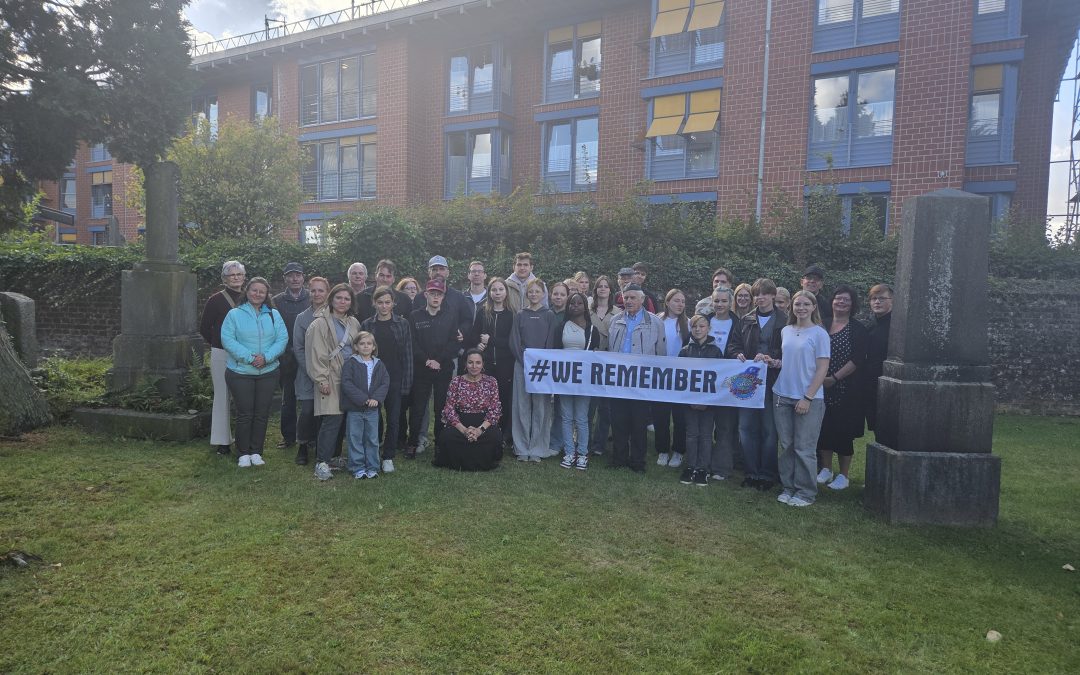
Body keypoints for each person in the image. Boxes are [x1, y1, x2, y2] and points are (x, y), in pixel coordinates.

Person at [220, 277, 289, 468]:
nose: (257, 294)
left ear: (267, 295)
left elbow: (282, 339)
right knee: (245, 413)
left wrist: (266, 357)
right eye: (254, 290)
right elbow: (228, 340)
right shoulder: (234, 314)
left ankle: (256, 451)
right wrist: (251, 358)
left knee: (261, 413)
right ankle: (243, 453)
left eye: (262, 292)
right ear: (247, 291)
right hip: (241, 372)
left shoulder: (273, 314)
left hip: (268, 371)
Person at [771, 290, 830, 507]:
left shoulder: (819, 334)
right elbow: (789, 361)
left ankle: (805, 492)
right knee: (786, 445)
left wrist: (807, 397)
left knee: (804, 447)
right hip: (782, 394)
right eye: (797, 304)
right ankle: (789, 487)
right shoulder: (786, 330)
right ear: (791, 307)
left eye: (806, 304)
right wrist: (773, 362)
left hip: (809, 398)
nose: (801, 308)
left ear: (814, 307)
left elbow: (822, 368)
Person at [730, 278, 786, 491]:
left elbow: (789, 350)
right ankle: (751, 472)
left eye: (764, 294)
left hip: (773, 382)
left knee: (769, 430)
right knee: (746, 428)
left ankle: (768, 474)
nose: (760, 298)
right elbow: (733, 345)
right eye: (757, 294)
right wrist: (738, 354)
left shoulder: (785, 321)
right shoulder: (745, 320)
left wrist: (773, 358)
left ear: (773, 295)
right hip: (748, 384)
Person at [606, 284, 665, 473]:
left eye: (633, 297)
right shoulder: (615, 320)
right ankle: (619, 459)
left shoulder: (655, 323)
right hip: (618, 378)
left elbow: (660, 353)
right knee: (618, 420)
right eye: (626, 297)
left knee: (638, 422)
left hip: (642, 380)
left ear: (642, 300)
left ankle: (638, 462)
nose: (629, 301)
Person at [306, 283, 362, 481]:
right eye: (339, 298)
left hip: (350, 376)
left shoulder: (353, 323)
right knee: (331, 419)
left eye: (347, 298)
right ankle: (321, 461)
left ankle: (334, 457)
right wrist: (321, 379)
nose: (343, 302)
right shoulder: (319, 323)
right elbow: (316, 353)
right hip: (330, 374)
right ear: (331, 299)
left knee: (344, 418)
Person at [816, 285, 868, 491]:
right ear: (832, 302)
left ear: (852, 304)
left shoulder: (858, 329)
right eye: (838, 299)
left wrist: (835, 377)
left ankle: (843, 475)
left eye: (846, 300)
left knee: (843, 432)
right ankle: (826, 469)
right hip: (821, 387)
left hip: (847, 388)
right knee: (824, 429)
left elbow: (857, 360)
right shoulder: (822, 324)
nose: (841, 302)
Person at [360, 286, 414, 474]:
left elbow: (407, 354)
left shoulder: (402, 324)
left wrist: (407, 382)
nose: (384, 306)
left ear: (393, 304)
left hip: (396, 377)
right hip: (373, 377)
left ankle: (388, 456)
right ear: (374, 303)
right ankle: (373, 450)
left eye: (387, 302)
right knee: (374, 416)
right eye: (380, 302)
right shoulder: (367, 325)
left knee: (394, 418)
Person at [407, 277, 460, 457]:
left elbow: (454, 343)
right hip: (422, 369)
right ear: (426, 295)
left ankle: (440, 443)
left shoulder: (450, 316)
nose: (435, 297)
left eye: (439, 294)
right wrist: (426, 360)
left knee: (441, 408)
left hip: (443, 369)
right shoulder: (415, 316)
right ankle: (412, 443)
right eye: (432, 294)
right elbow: (412, 343)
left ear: (443, 297)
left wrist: (439, 360)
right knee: (418, 407)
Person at [199, 260, 246, 456]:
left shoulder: (250, 297)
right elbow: (204, 328)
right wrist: (219, 344)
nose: (235, 278)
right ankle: (222, 442)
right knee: (222, 396)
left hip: (245, 353)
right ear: (224, 278)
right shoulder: (215, 300)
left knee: (244, 397)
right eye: (231, 275)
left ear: (244, 277)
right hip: (221, 353)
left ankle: (245, 439)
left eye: (239, 274)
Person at [509, 278, 558, 461]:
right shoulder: (520, 314)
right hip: (522, 365)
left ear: (543, 294)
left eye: (537, 291)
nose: (534, 294)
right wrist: (524, 360)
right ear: (526, 294)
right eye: (531, 292)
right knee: (521, 406)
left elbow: (551, 341)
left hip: (542, 367)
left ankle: (538, 448)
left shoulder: (549, 315)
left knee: (541, 407)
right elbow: (514, 341)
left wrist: (541, 362)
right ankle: (521, 447)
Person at [434, 349, 504, 471]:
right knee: (447, 436)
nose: (474, 366)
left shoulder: (491, 381)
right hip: (461, 424)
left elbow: (495, 409)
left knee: (495, 436)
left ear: (483, 364)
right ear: (465, 364)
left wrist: (479, 431)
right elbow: (449, 409)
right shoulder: (456, 381)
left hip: (484, 424)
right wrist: (464, 430)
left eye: (478, 362)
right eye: (470, 362)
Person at [554, 292, 601, 470]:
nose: (575, 306)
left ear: (584, 306)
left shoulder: (592, 330)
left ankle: (582, 453)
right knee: (566, 417)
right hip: (565, 379)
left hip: (584, 380)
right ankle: (568, 451)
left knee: (581, 418)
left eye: (579, 303)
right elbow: (555, 352)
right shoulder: (561, 327)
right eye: (572, 303)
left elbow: (595, 355)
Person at [679, 315, 725, 486]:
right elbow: (680, 379)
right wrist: (689, 400)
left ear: (708, 328)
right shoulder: (684, 351)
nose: (698, 330)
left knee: (706, 436)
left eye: (702, 326)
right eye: (694, 327)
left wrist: (708, 401)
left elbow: (719, 379)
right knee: (691, 434)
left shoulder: (716, 352)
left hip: (709, 403)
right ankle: (690, 466)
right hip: (689, 402)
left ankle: (703, 468)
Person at [471, 277, 515, 448]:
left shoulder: (511, 314)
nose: (497, 293)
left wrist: (491, 340)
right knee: (485, 399)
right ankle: (484, 431)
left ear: (506, 292)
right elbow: (474, 334)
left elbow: (511, 342)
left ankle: (503, 434)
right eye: (494, 290)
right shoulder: (483, 312)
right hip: (486, 363)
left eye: (500, 290)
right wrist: (479, 344)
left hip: (505, 364)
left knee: (503, 400)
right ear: (489, 293)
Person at [341, 331, 390, 480]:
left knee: (372, 439)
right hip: (355, 409)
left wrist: (376, 398)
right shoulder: (351, 363)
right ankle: (357, 467)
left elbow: (384, 382)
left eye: (369, 343)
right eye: (362, 344)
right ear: (356, 346)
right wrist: (363, 399)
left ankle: (373, 467)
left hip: (372, 410)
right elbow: (347, 383)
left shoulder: (379, 364)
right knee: (355, 438)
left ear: (374, 346)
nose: (366, 346)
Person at [272, 262, 310, 451]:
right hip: (286, 356)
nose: (295, 278)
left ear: (303, 277)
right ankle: (288, 437)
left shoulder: (312, 297)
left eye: (298, 275)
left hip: (308, 354)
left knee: (309, 397)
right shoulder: (276, 301)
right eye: (290, 275)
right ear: (285, 278)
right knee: (288, 398)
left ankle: (309, 435)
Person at [291, 276, 330, 466]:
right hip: (307, 373)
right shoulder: (301, 318)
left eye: (321, 290)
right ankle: (303, 445)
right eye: (313, 290)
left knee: (325, 412)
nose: (317, 294)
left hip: (330, 373)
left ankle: (322, 446)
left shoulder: (334, 315)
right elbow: (297, 347)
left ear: (327, 292)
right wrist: (311, 370)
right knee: (307, 411)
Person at [709, 286, 745, 481]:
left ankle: (722, 468)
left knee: (725, 426)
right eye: (716, 301)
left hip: (728, 381)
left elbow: (740, 347)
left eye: (723, 301)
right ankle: (702, 462)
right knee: (705, 425)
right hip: (706, 381)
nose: (720, 304)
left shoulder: (739, 323)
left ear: (730, 302)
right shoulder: (704, 320)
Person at [654, 288, 690, 469]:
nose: (680, 304)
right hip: (661, 376)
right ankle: (662, 450)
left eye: (683, 301)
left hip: (680, 377)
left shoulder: (688, 324)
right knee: (661, 415)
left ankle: (678, 451)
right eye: (676, 300)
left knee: (680, 417)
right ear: (667, 302)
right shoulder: (657, 320)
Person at [588, 275, 617, 456]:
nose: (603, 289)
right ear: (596, 289)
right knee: (589, 405)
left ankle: (600, 443)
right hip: (590, 359)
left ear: (611, 290)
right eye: (600, 286)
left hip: (609, 360)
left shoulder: (617, 312)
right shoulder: (587, 310)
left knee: (605, 406)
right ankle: (585, 440)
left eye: (606, 286)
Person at [863, 283, 893, 433]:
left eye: (881, 298)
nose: (877, 302)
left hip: (889, 384)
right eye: (873, 298)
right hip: (870, 384)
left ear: (892, 300)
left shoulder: (897, 326)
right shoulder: (870, 324)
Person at [546, 279, 571, 453]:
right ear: (550, 295)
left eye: (562, 294)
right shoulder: (545, 313)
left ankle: (557, 441)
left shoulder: (572, 316)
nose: (558, 297)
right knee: (544, 405)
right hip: (545, 364)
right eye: (555, 293)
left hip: (564, 366)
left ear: (567, 297)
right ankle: (543, 438)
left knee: (562, 407)